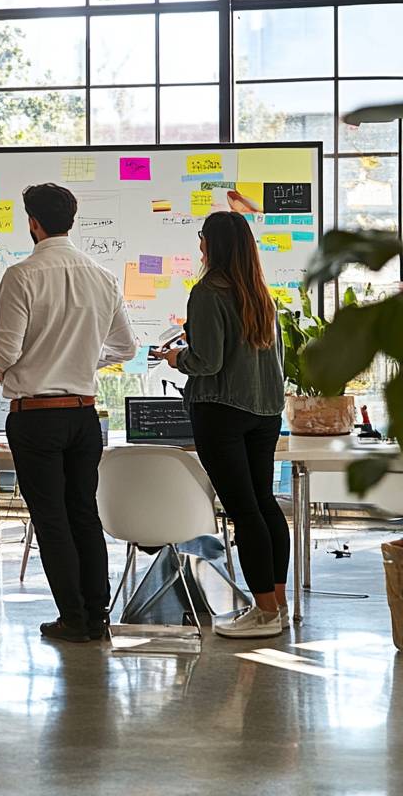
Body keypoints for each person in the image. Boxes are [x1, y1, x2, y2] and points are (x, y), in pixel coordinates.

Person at [0, 184, 137, 643]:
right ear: (71, 218)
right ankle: (97, 615)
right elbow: (125, 346)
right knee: (84, 514)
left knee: (51, 519)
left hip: (36, 416)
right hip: (85, 417)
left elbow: (5, 350)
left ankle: (73, 619)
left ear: (33, 222)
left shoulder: (21, 274)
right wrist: (84, 361)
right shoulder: (102, 276)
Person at [158, 210, 288, 639]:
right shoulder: (261, 294)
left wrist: (178, 358)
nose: (199, 245)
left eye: (201, 238)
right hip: (265, 413)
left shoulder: (207, 292)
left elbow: (207, 362)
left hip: (221, 411)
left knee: (243, 511)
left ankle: (264, 614)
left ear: (212, 244)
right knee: (264, 505)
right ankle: (277, 605)